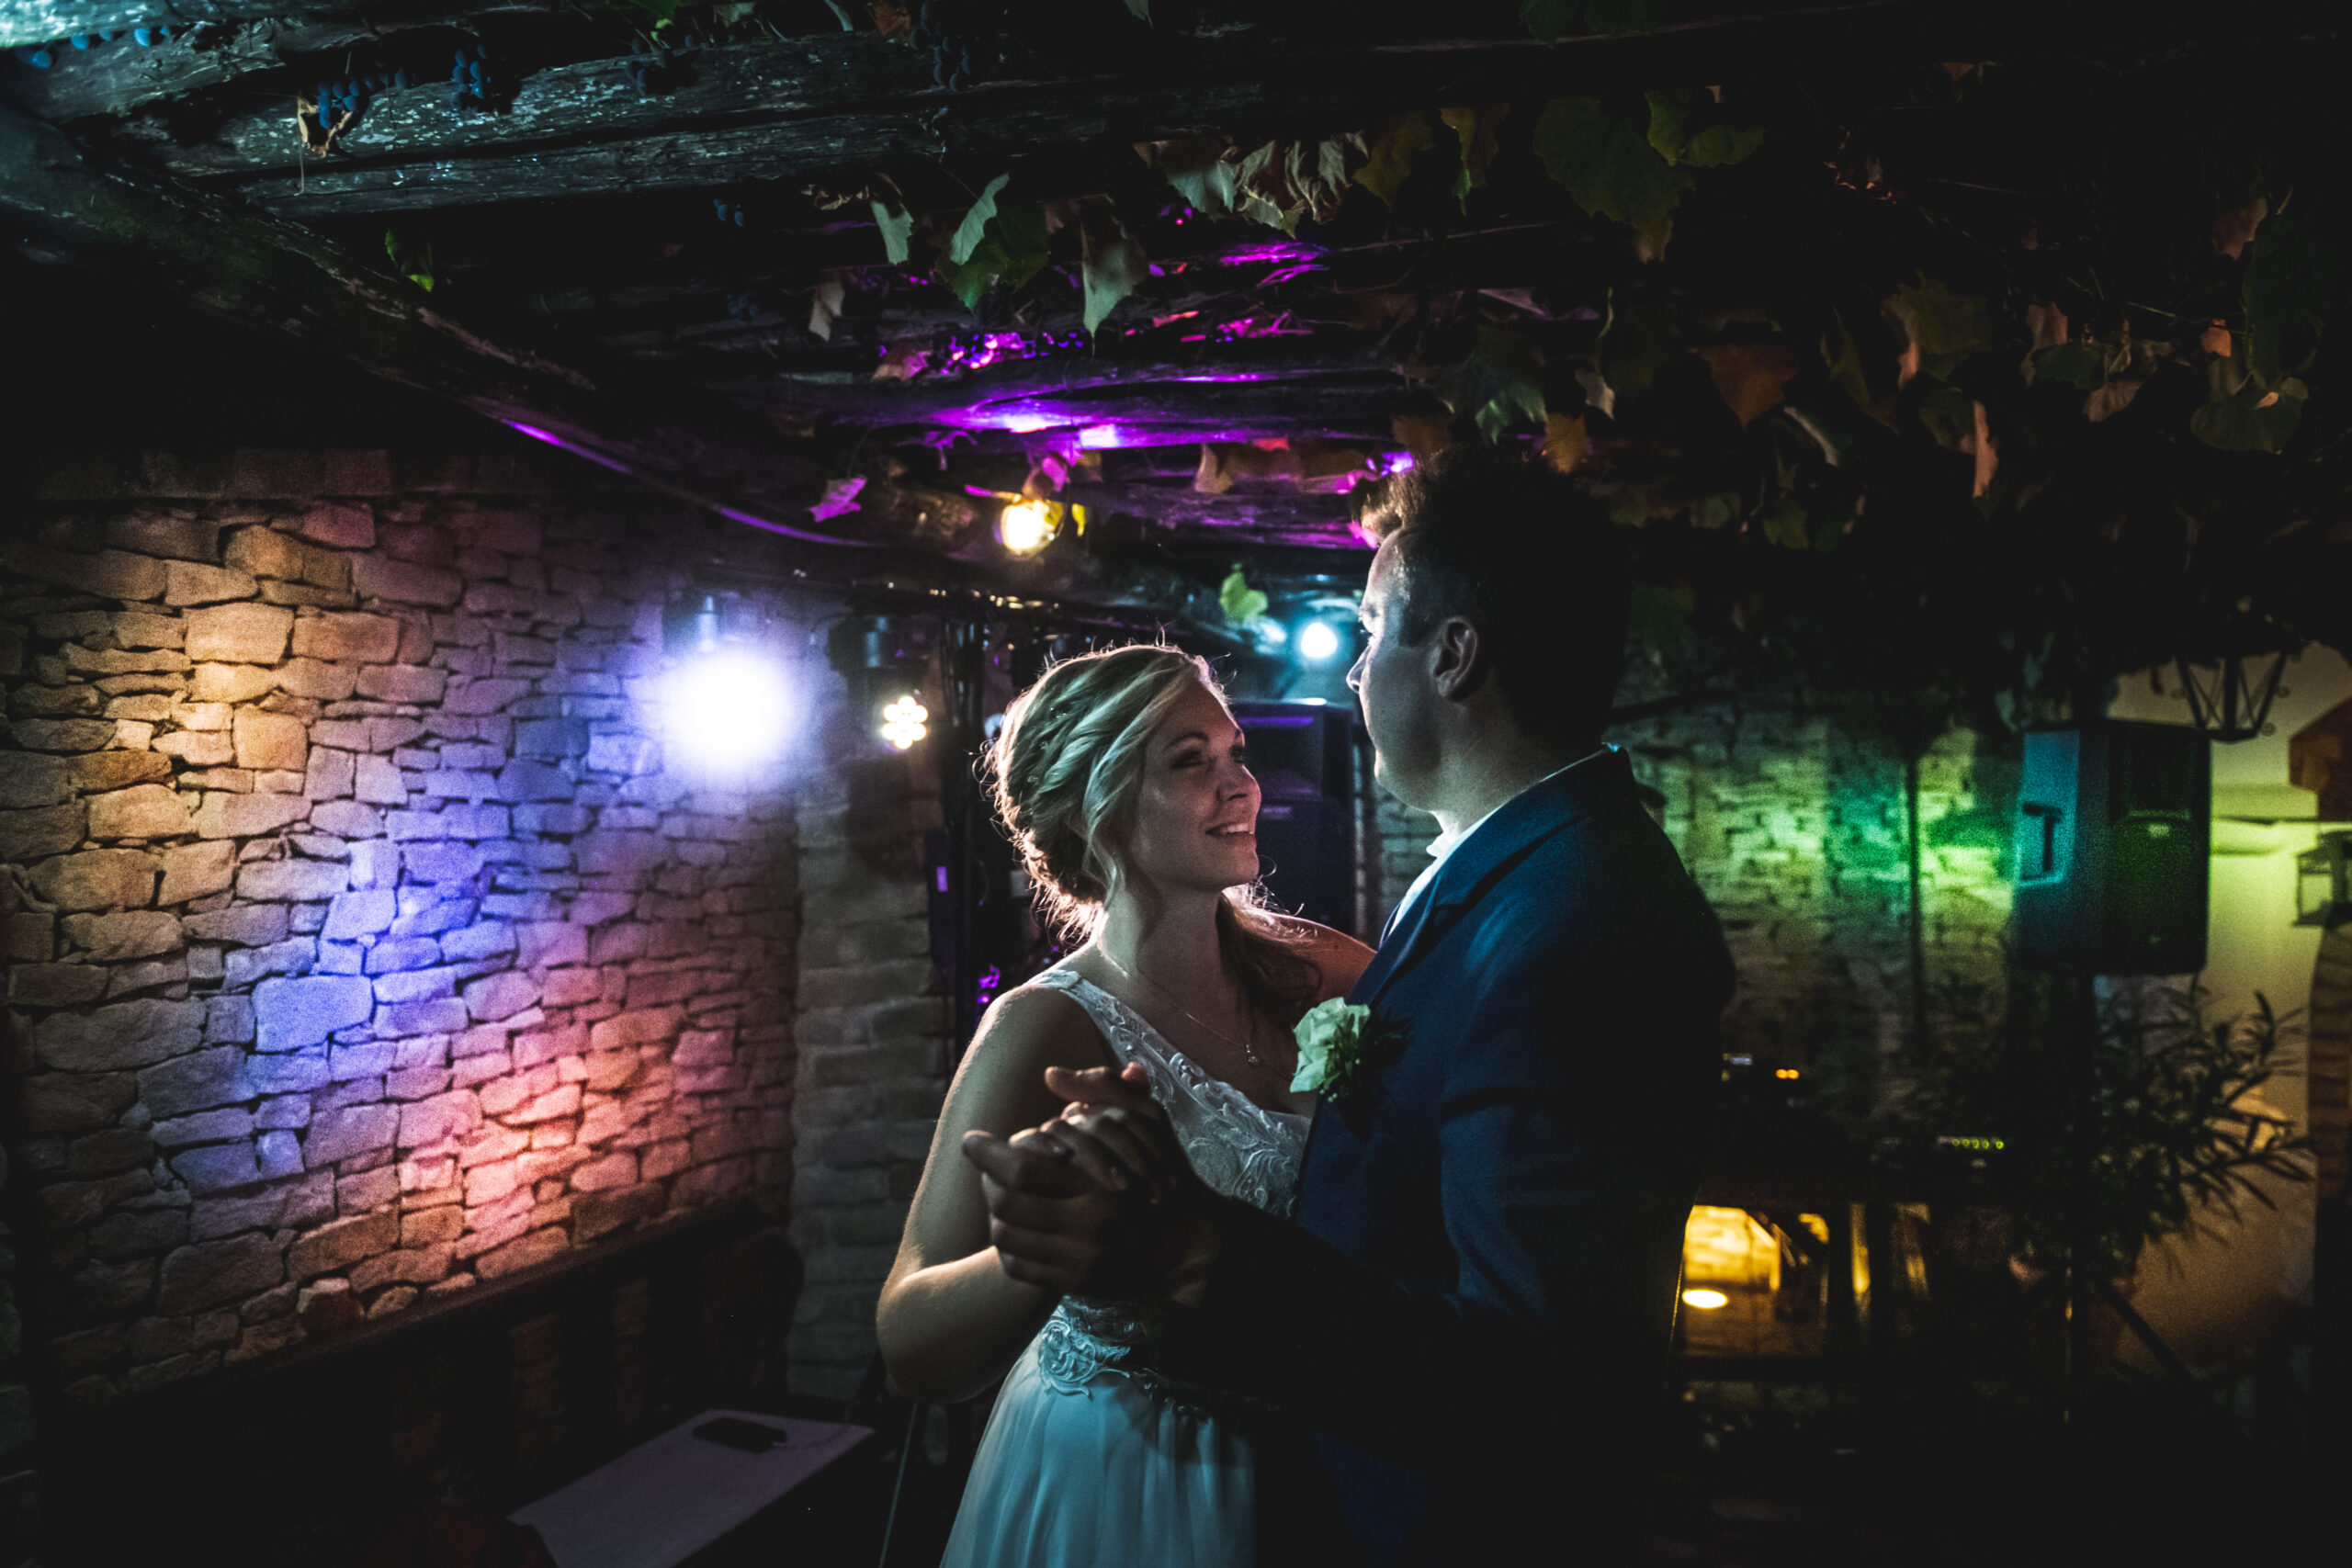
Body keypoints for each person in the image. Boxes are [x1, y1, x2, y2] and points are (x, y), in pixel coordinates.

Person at [965, 445, 1737, 1565]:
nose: (1353, 675)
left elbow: (1535, 1375)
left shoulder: (1571, 926)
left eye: (1372, 634)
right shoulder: (1513, 878)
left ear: (1454, 657)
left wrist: (1194, 1245)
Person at [876, 643, 1374, 1567]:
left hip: (1325, 1444)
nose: (1243, 786)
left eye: (1236, 754)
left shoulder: (1331, 972)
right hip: (1130, 1480)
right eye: (1190, 761)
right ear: (1094, 805)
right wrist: (1046, 1253)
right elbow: (910, 1345)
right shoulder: (1043, 1028)